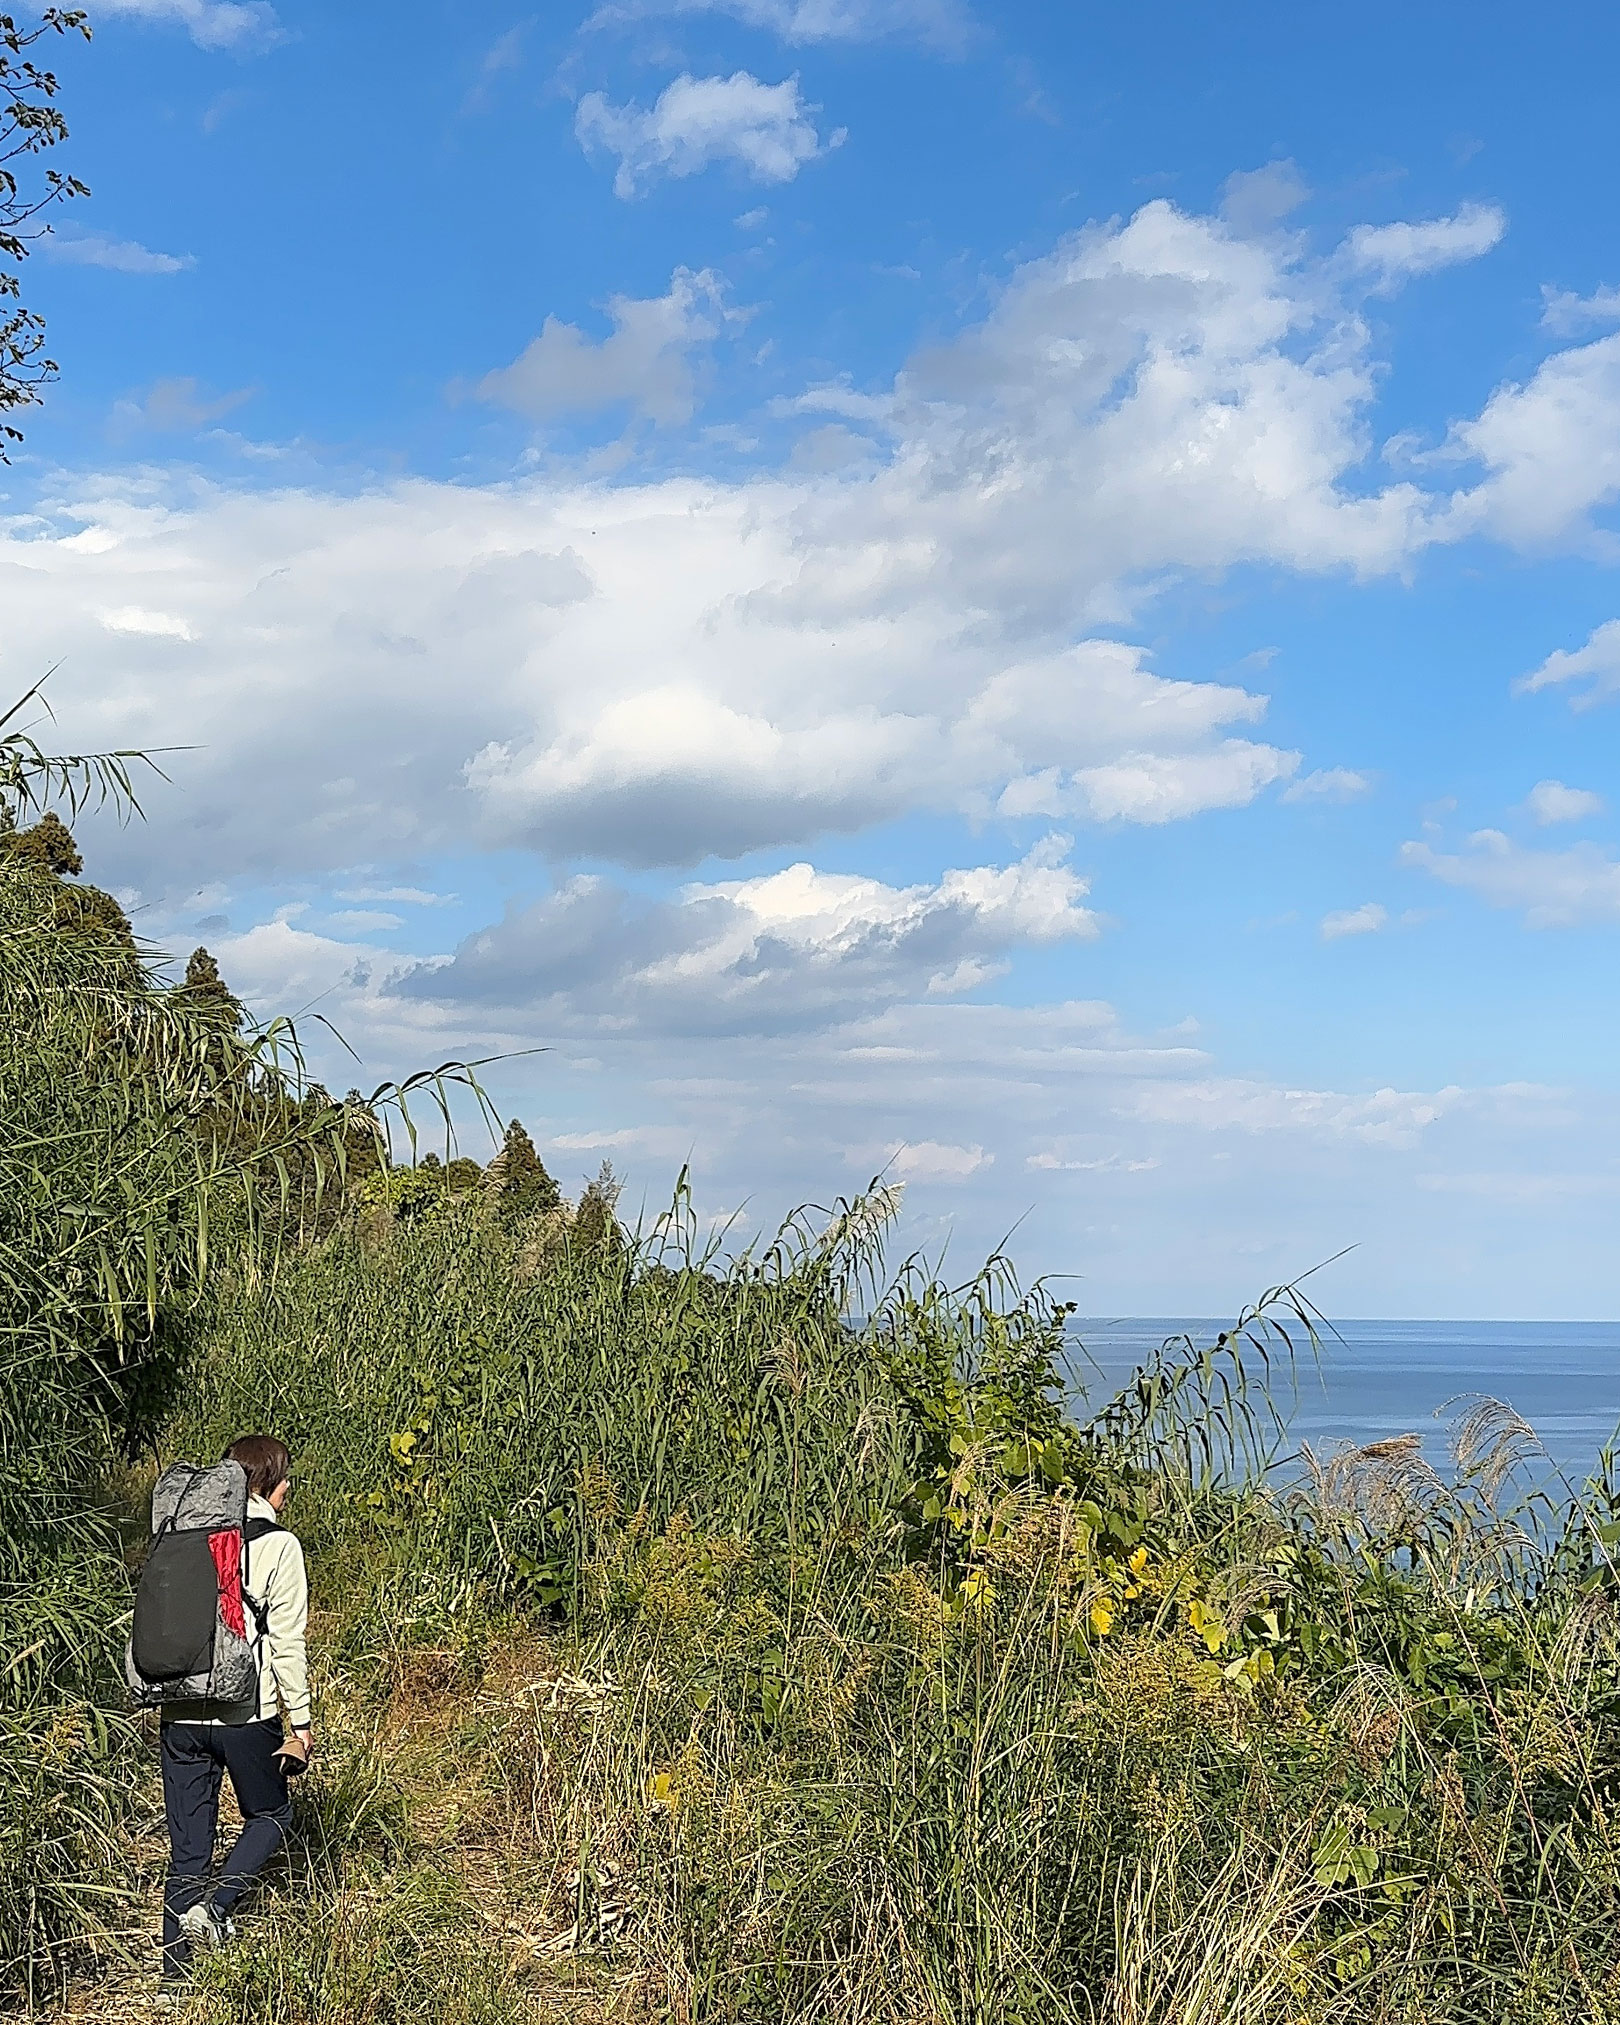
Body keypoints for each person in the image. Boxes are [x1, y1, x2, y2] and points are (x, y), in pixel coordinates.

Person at [160, 1433, 314, 1985]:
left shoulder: (186, 1532)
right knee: (272, 1815)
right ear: (271, 1485)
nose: (290, 1488)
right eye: (286, 1478)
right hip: (245, 1714)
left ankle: (175, 1983)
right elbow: (288, 1644)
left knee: (188, 1852)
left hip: (178, 1711)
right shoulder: (279, 1545)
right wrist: (300, 1722)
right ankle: (218, 1908)